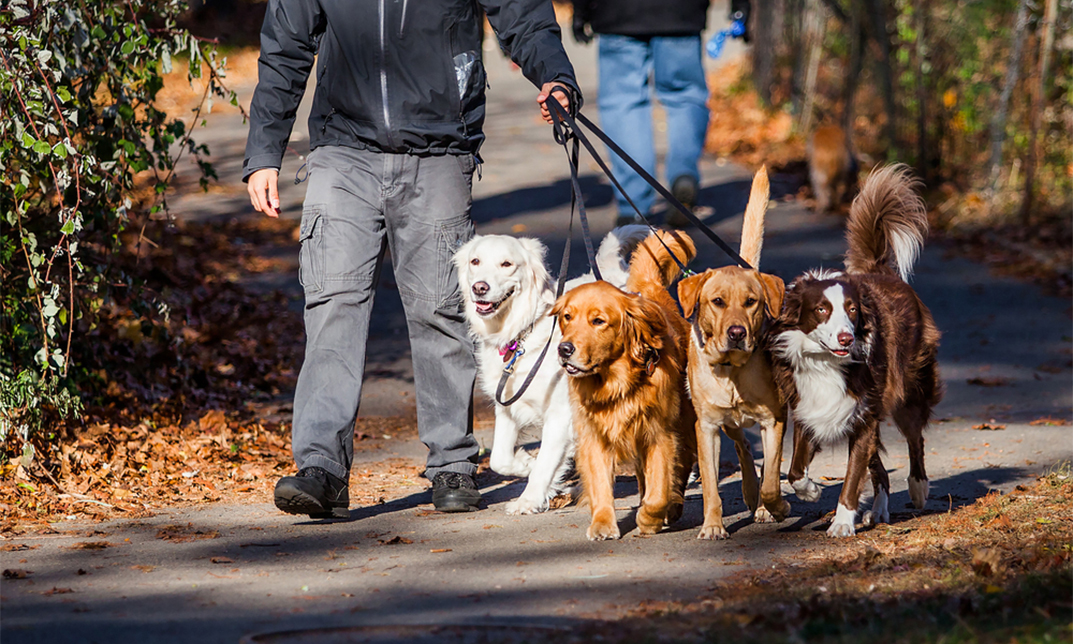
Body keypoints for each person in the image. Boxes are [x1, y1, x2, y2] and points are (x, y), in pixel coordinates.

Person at [244, 0, 578, 518]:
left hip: (440, 149)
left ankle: (452, 463)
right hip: (342, 151)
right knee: (333, 305)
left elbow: (521, 13)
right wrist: (264, 151)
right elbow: (286, 45)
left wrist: (556, 77)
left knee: (441, 309)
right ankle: (321, 467)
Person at [571, 0, 717, 228]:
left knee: (623, 102)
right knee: (685, 95)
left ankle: (633, 203)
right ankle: (684, 173)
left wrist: (581, 9)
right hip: (681, 12)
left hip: (617, 13)